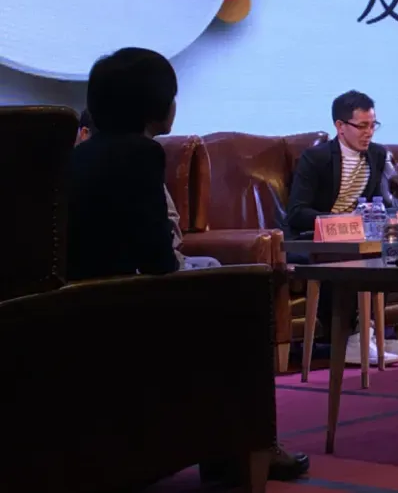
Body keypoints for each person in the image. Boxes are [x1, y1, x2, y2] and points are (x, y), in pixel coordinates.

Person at [67, 47, 308, 483]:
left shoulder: (77, 156)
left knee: (220, 274)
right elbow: (157, 258)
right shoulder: (141, 154)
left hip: (81, 301)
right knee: (243, 300)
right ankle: (244, 451)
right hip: (125, 299)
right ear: (156, 106)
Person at [285, 91, 398, 366]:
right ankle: (352, 339)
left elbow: (375, 203)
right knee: (351, 257)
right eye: (362, 126)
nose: (369, 132)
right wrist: (340, 222)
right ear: (340, 126)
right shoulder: (315, 158)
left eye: (373, 125)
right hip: (314, 239)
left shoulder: (377, 154)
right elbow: (297, 213)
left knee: (390, 250)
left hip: (357, 237)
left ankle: (369, 333)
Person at [76, 109, 221, 273]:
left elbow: (170, 222)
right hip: (139, 269)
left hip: (123, 267)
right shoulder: (140, 161)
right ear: (84, 134)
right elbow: (159, 253)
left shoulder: (69, 166)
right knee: (210, 267)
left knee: (209, 264)